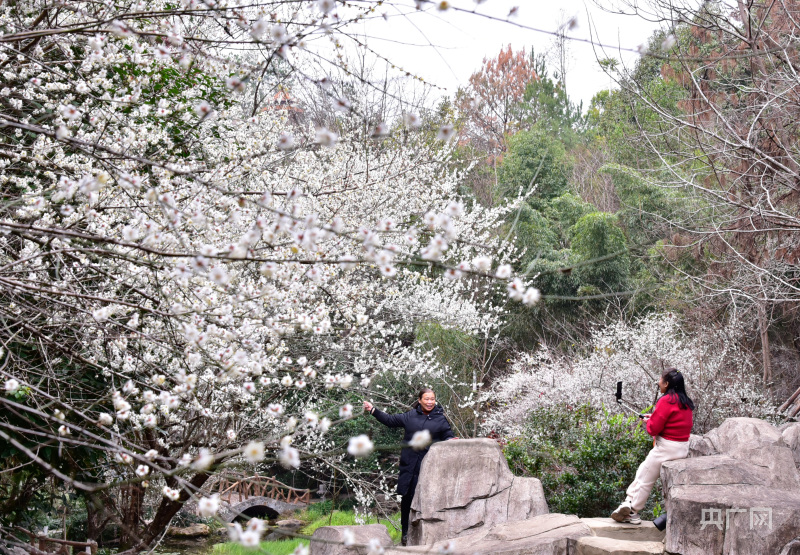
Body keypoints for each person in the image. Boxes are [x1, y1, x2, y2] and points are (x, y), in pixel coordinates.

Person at [363, 388, 456, 546]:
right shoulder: (410, 416)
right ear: (419, 400)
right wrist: (373, 410)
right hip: (409, 466)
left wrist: (450, 440)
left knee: (427, 498)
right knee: (407, 499)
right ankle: (406, 532)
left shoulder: (440, 418)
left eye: (432, 399)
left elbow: (448, 435)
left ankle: (429, 533)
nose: (430, 402)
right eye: (426, 399)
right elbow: (390, 420)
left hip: (428, 467)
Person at [611, 368, 695, 525]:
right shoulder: (686, 401)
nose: (658, 382)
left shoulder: (666, 400)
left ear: (667, 383)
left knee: (644, 477)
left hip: (667, 448)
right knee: (643, 470)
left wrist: (649, 422)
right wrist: (653, 417)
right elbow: (674, 421)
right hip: (682, 448)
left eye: (661, 379)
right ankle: (628, 502)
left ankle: (632, 511)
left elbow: (653, 429)